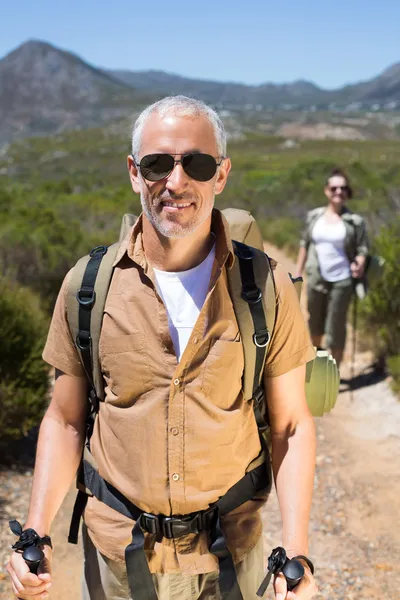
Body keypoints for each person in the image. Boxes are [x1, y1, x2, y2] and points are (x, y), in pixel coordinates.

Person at [7, 96, 318, 600]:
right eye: (157, 164)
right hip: (119, 558)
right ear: (135, 173)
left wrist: (297, 551)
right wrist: (35, 532)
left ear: (220, 174)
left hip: (232, 557)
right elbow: (64, 420)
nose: (176, 182)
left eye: (196, 163)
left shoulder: (266, 286)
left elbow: (291, 425)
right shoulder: (87, 287)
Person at [294, 168, 369, 368]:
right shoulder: (314, 217)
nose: (338, 191)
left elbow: (362, 249)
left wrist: (360, 262)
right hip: (317, 277)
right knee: (315, 323)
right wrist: (298, 273)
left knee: (336, 327)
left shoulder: (355, 222)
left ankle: (333, 373)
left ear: (348, 192)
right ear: (326, 190)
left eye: (343, 188)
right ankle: (316, 368)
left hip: (342, 279)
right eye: (334, 187)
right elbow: (305, 244)